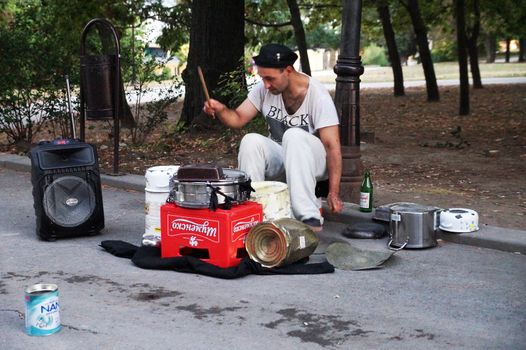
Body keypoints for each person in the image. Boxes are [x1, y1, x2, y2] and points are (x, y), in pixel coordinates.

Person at [203, 43, 343, 231]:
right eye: (262, 78)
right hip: (283, 157)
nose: (266, 85)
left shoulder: (317, 95)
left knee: (293, 135)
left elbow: (332, 147)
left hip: (313, 161)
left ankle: (307, 216)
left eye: (270, 79)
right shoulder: (264, 89)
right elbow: (237, 118)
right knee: (250, 140)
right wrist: (220, 109)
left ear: (288, 70)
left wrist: (333, 193)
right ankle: (252, 210)